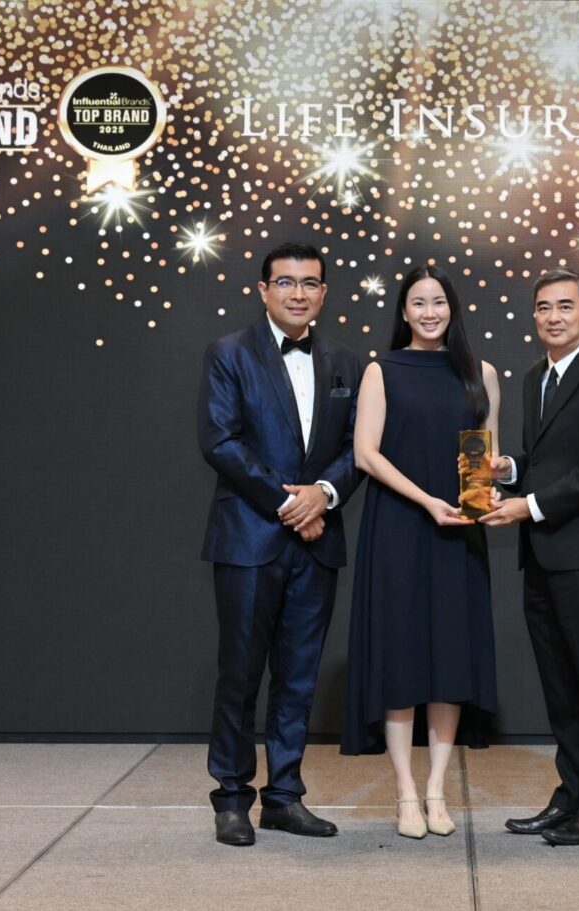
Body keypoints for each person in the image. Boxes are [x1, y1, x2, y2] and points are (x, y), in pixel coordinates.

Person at [197, 242, 363, 847]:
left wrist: (324, 493)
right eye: (286, 282)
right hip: (250, 538)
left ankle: (285, 797)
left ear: (324, 292)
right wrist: (292, 505)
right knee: (240, 674)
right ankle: (232, 798)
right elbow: (221, 441)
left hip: (318, 542)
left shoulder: (346, 361)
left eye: (310, 283)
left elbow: (360, 446)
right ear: (263, 290)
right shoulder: (229, 353)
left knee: (298, 677)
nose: (299, 293)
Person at [481, 267, 579, 847]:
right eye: (544, 307)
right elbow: (549, 458)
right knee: (560, 686)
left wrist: (527, 506)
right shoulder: (535, 377)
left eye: (566, 306)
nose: (554, 316)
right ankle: (569, 796)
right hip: (543, 556)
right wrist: (511, 469)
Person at [343, 264, 501, 840]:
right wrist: (427, 501)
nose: (429, 312)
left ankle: (436, 789)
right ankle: (405, 792)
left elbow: (485, 456)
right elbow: (366, 454)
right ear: (404, 311)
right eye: (418, 302)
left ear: (452, 308)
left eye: (438, 301)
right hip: (399, 527)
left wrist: (486, 489)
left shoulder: (481, 373)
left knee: (450, 658)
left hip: (459, 529)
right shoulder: (381, 370)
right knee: (401, 656)